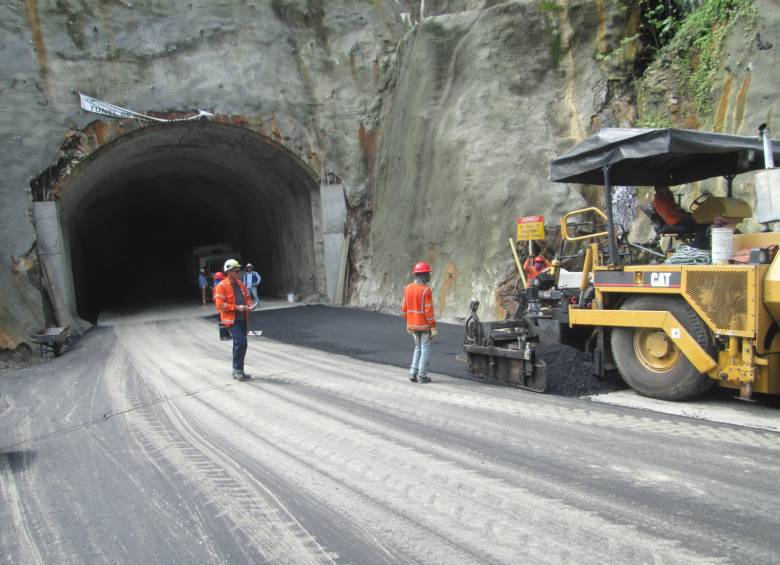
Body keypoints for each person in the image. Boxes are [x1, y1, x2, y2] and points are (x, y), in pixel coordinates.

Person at [213, 259, 256, 380]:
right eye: (236, 270)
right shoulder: (221, 286)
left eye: (238, 270)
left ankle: (239, 371)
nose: (238, 272)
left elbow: (246, 297)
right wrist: (237, 307)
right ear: (229, 271)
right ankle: (237, 370)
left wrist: (248, 305)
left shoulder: (240, 283)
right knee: (240, 342)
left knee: (242, 344)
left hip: (242, 318)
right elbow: (219, 305)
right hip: (231, 320)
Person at [401, 261, 437, 383]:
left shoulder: (407, 288)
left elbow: (404, 309)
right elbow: (428, 311)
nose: (430, 276)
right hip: (424, 326)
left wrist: (408, 323)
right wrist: (433, 327)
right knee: (425, 348)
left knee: (417, 348)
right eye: (428, 274)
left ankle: (413, 372)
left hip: (413, 325)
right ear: (423, 275)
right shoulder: (426, 291)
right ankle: (422, 375)